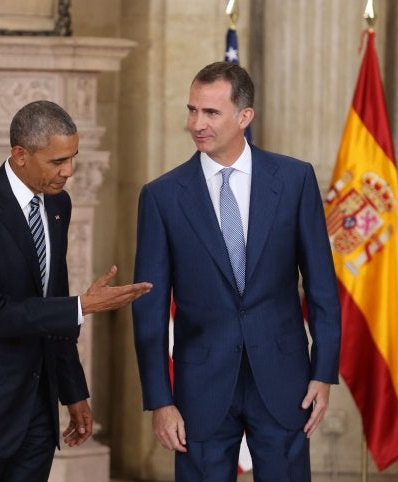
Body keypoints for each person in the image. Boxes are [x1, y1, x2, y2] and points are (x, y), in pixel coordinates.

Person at [0, 100, 152, 482]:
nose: (69, 171)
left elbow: (52, 298)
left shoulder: (59, 203)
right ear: (20, 155)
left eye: (73, 158)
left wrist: (74, 393)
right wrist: (81, 306)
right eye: (57, 161)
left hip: (38, 412)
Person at [132, 62, 341, 481]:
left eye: (211, 112)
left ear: (245, 116)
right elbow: (149, 311)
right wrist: (160, 400)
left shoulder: (295, 179)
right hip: (200, 388)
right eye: (192, 110)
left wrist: (323, 373)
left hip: (284, 382)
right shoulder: (161, 196)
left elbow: (321, 287)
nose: (197, 124)